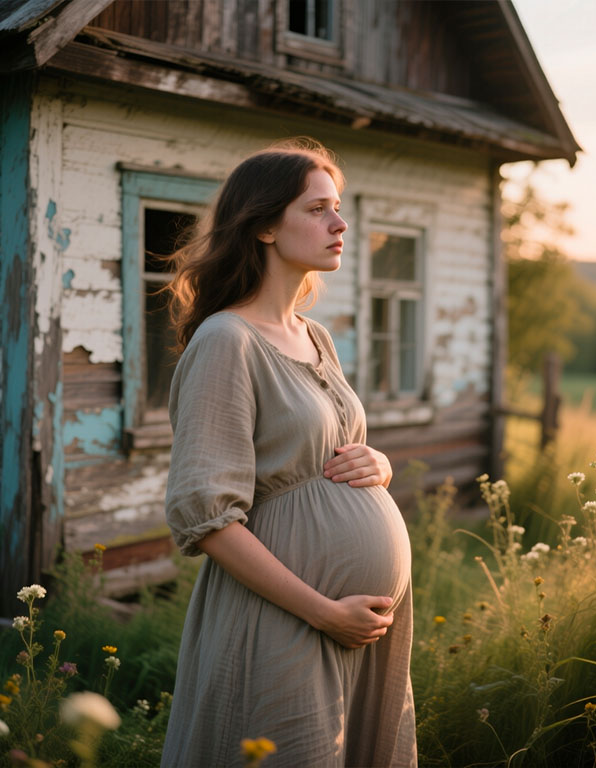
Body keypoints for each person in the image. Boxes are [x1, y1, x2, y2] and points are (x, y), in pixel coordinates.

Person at [160, 139, 417, 768]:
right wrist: (326, 613)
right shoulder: (227, 340)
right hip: (288, 618)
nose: (340, 223)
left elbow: (327, 446)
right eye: (319, 209)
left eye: (339, 207)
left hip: (357, 626)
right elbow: (208, 518)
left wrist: (376, 465)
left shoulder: (314, 336)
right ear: (266, 225)